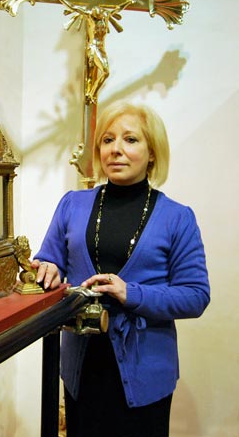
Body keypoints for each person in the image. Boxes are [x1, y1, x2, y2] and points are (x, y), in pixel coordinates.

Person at [31, 102, 210, 437]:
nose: (115, 149)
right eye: (107, 140)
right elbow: (48, 259)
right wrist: (47, 269)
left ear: (152, 152)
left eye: (130, 139)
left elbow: (196, 296)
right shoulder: (72, 204)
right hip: (82, 368)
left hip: (146, 374)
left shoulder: (177, 217)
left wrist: (132, 294)